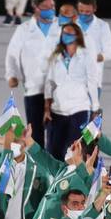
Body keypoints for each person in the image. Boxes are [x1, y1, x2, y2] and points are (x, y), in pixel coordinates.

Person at [5, 0, 59, 145]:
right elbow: (12, 54)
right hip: (34, 87)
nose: (50, 10)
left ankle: (57, 164)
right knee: (35, 131)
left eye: (52, 6)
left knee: (56, 131)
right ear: (35, 7)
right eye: (45, 7)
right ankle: (38, 165)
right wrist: (11, 75)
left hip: (59, 88)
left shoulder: (62, 26)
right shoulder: (24, 29)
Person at [42, 18, 98, 160]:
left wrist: (95, 109)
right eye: (64, 33)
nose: (66, 36)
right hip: (58, 110)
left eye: (70, 33)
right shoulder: (55, 56)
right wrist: (47, 109)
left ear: (77, 36)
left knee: (75, 149)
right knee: (54, 150)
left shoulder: (86, 56)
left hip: (79, 108)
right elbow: (49, 83)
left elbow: (92, 82)